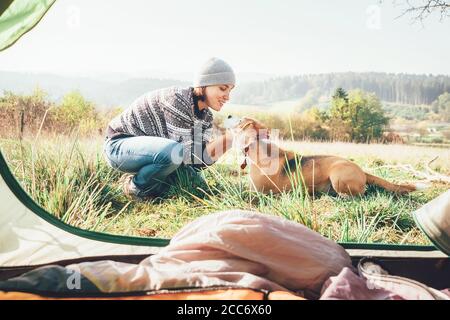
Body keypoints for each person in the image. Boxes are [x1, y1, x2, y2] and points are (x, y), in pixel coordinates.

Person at [103, 57, 236, 200]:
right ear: (204, 84)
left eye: (230, 90)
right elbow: (184, 156)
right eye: (223, 88)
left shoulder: (206, 117)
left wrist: (231, 141)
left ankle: (157, 187)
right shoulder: (177, 100)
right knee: (174, 152)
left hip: (154, 153)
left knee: (199, 186)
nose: (227, 97)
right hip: (119, 146)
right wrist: (230, 137)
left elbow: (197, 162)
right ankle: (135, 187)